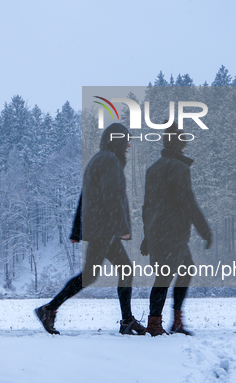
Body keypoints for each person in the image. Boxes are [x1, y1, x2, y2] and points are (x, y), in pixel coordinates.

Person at [35, 123, 145, 335]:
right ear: (117, 141)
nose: (128, 146)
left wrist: (77, 230)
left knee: (113, 271)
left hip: (100, 227)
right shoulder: (109, 161)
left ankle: (126, 320)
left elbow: (84, 196)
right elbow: (112, 197)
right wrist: (122, 227)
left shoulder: (99, 159)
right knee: (96, 274)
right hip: (105, 228)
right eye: (126, 141)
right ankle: (49, 309)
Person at [141, 123, 212, 336]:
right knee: (166, 277)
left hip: (158, 231)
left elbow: (147, 205)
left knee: (184, 270)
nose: (186, 144)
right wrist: (204, 230)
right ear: (180, 145)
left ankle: (171, 321)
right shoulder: (178, 168)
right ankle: (157, 325)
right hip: (172, 232)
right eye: (184, 140)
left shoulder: (153, 168)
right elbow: (187, 202)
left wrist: (147, 235)